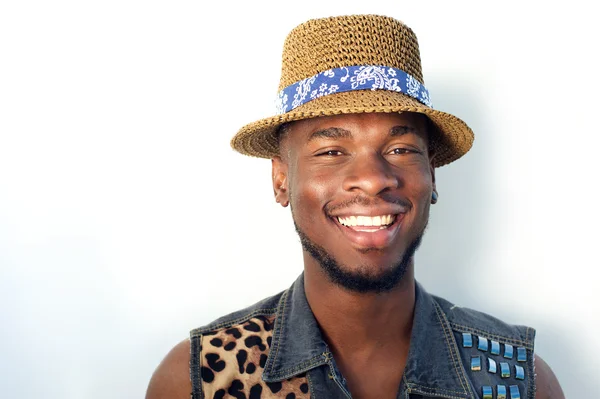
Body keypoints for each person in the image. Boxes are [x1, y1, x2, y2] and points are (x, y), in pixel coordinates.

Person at [146, 14, 564, 399]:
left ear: (432, 176)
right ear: (281, 179)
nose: (373, 177)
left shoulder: (518, 379)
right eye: (331, 150)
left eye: (400, 148)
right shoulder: (197, 379)